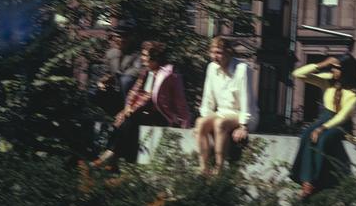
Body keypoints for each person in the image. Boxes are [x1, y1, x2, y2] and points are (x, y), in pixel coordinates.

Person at [87, 40, 192, 171]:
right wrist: (127, 107)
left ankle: (111, 157)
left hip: (162, 115)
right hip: (142, 112)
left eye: (145, 56)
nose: (142, 59)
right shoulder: (146, 72)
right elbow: (134, 91)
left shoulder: (169, 74)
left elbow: (174, 100)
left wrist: (185, 125)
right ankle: (112, 158)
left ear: (155, 57)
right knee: (127, 120)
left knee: (131, 120)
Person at [290, 54, 356, 199]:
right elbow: (297, 74)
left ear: (347, 70)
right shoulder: (328, 81)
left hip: (340, 124)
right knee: (306, 135)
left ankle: (315, 181)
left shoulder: (355, 90)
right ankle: (306, 181)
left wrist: (322, 128)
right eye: (333, 68)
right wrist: (321, 64)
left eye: (337, 68)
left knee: (323, 139)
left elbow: (342, 116)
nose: (334, 71)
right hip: (324, 117)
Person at [195, 36, 259, 176]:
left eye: (218, 52)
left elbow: (246, 99)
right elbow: (208, 98)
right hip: (221, 112)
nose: (214, 57)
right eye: (212, 52)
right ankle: (204, 168)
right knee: (200, 123)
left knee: (220, 123)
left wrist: (244, 126)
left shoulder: (242, 69)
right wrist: (206, 120)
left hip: (241, 113)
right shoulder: (212, 68)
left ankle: (219, 168)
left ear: (228, 52)